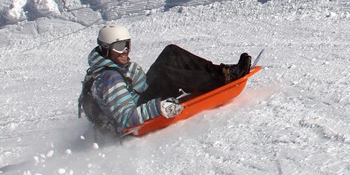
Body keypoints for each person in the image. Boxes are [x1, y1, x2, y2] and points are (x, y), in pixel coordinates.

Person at [79, 23, 252, 135]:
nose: (125, 50)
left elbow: (137, 86)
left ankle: (223, 73)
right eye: (119, 46)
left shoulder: (112, 66)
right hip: (137, 112)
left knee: (171, 52)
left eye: (127, 44)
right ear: (105, 48)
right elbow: (126, 118)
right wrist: (158, 107)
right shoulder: (110, 78)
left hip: (141, 96)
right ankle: (218, 81)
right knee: (169, 75)